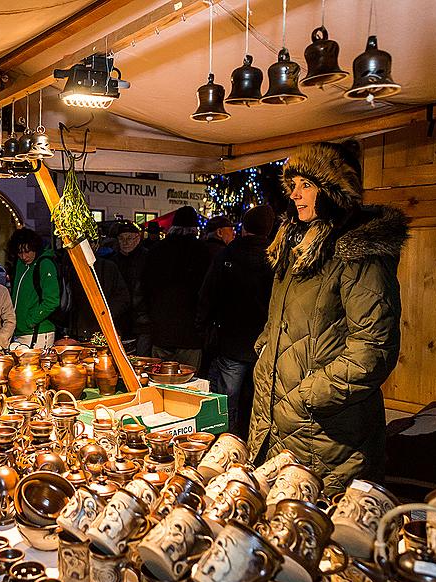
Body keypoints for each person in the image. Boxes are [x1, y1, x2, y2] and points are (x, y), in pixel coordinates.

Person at [249, 141, 408, 496]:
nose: (295, 195)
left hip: (328, 436)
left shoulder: (357, 255)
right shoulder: (297, 247)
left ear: (334, 190)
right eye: (292, 186)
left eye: (306, 185)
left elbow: (373, 349)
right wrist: (265, 353)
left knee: (327, 538)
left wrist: (307, 395)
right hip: (277, 422)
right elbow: (284, 325)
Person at [197, 205, 275, 437]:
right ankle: (255, 441)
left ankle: (228, 441)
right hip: (266, 342)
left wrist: (203, 326)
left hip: (232, 340)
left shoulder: (227, 255)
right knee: (260, 397)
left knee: (228, 396)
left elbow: (208, 294)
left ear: (244, 228)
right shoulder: (275, 258)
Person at [141, 206, 209, 369]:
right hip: (190, 333)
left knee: (160, 381)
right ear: (194, 228)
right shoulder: (203, 252)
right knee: (189, 385)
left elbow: (145, 287)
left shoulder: (156, 250)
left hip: (161, 329)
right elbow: (207, 293)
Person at [8, 228, 59, 350]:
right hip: (21, 330)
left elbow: (52, 300)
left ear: (35, 248)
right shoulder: (20, 264)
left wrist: (31, 321)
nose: (24, 256)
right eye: (20, 252)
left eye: (28, 251)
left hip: (39, 331)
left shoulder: (45, 264)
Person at [110, 221, 151, 355]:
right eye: (121, 239)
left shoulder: (147, 258)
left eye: (129, 238)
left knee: (141, 357)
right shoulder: (113, 260)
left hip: (142, 319)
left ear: (137, 238)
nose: (125, 242)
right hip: (120, 318)